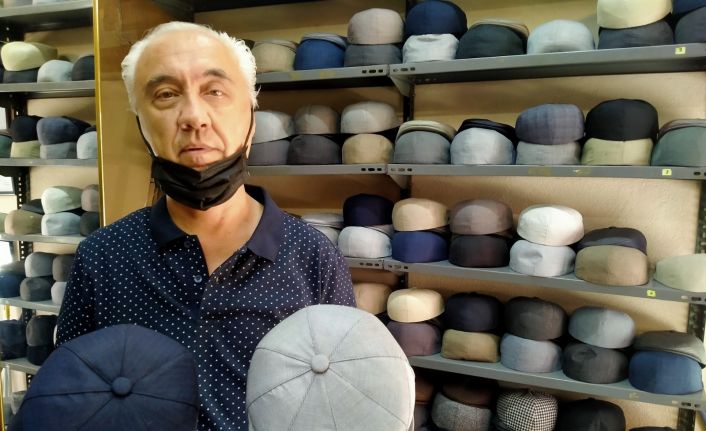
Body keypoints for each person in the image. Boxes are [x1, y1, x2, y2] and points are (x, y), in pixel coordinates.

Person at [56, 21, 355, 431]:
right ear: (141, 124)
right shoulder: (103, 258)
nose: (194, 117)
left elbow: (344, 397)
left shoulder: (313, 258)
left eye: (214, 91)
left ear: (250, 118)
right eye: (166, 94)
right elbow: (70, 399)